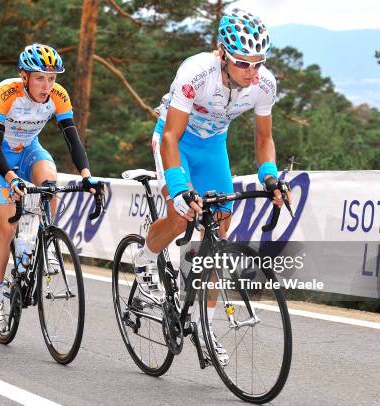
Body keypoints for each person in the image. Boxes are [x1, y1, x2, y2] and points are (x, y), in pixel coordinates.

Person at [134, 9, 291, 364]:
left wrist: (269, 175)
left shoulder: (263, 84)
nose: (252, 72)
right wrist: (179, 188)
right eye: (242, 64)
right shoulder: (196, 72)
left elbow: (264, 138)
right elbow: (171, 135)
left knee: (218, 235)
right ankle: (145, 257)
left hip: (212, 150)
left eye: (258, 63)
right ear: (223, 54)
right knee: (180, 218)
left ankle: (205, 327)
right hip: (176, 143)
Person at [0, 43, 101, 332]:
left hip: (29, 147)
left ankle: (40, 242)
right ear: (24, 76)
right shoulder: (5, 93)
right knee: (7, 227)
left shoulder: (58, 96)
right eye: (40, 78)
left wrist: (86, 175)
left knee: (49, 182)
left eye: (52, 78)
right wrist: (10, 178)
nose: (47, 85)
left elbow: (72, 139)